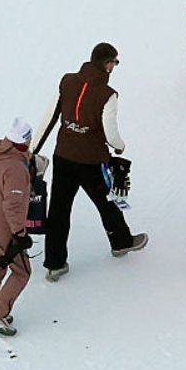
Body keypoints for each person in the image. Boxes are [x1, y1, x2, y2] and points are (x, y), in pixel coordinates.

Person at [33, 43, 147, 282]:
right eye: (114, 62)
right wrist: (119, 146)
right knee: (107, 202)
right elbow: (109, 131)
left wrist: (32, 150)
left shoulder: (67, 81)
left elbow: (50, 117)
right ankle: (121, 242)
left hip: (63, 156)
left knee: (59, 210)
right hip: (92, 161)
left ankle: (55, 263)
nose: (114, 67)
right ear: (107, 63)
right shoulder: (108, 95)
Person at [0, 118, 35, 336]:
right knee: (22, 272)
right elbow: (13, 204)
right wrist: (19, 233)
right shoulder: (16, 170)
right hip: (5, 231)